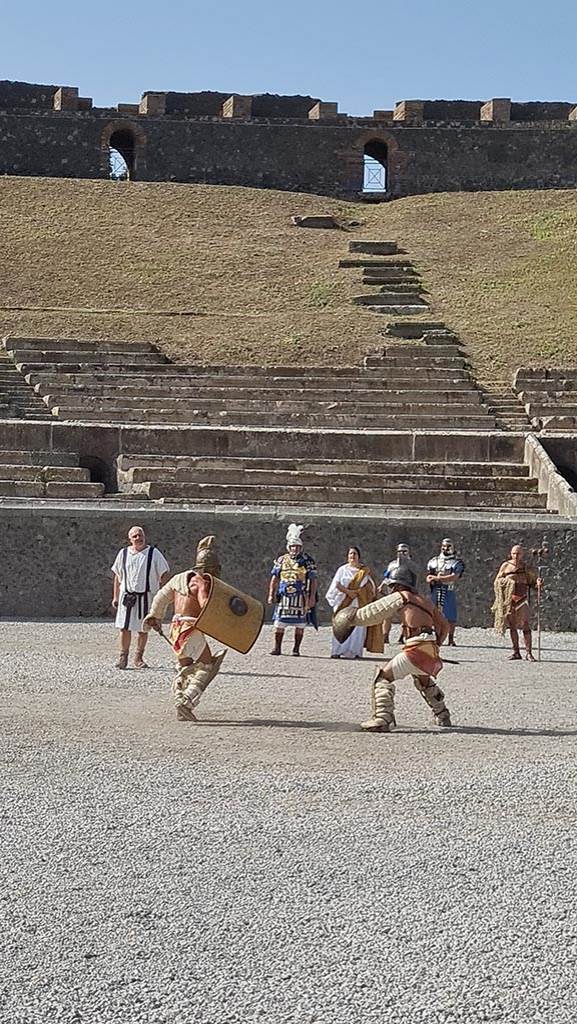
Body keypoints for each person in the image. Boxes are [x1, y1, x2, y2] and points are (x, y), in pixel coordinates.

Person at [332, 565, 452, 732]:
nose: (392, 589)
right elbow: (444, 626)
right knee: (424, 681)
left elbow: (374, 612)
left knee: (383, 677)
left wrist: (351, 618)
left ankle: (383, 718)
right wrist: (435, 644)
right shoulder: (425, 601)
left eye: (393, 585)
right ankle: (442, 714)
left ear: (399, 584)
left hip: (416, 649)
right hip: (430, 647)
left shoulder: (401, 596)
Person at [143, 536, 227, 721]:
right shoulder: (202, 582)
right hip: (190, 628)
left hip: (176, 628)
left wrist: (155, 616)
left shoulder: (178, 579)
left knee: (185, 666)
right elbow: (205, 605)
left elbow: (160, 597)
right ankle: (186, 701)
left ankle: (180, 705)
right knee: (207, 664)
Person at [111, 525, 170, 670]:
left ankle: (138, 657)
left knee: (143, 628)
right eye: (135, 536)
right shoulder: (123, 553)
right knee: (124, 627)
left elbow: (165, 574)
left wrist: (162, 595)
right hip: (127, 596)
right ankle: (123, 657)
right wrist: (115, 596)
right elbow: (118, 577)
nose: (138, 538)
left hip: (146, 596)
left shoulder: (154, 553)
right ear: (130, 539)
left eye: (140, 535)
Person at [268, 524, 318, 656]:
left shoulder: (307, 560)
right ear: (288, 547)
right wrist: (271, 594)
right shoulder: (281, 560)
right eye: (292, 546)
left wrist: (312, 597)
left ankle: (296, 649)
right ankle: (277, 647)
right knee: (279, 623)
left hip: (300, 596)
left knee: (300, 624)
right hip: (284, 596)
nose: (294, 549)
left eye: (297, 546)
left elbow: (313, 580)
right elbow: (275, 578)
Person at [325, 547, 382, 659]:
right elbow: (336, 585)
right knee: (341, 624)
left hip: (358, 601)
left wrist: (359, 593)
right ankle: (337, 650)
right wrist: (348, 592)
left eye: (354, 554)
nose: (352, 556)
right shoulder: (342, 570)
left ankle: (354, 651)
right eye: (350, 554)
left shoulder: (364, 571)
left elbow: (371, 588)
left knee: (357, 627)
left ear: (358, 556)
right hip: (343, 601)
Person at [492, 544, 542, 661]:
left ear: (522, 554)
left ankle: (528, 652)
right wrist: (508, 582)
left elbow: (532, 583)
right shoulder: (505, 566)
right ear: (511, 553)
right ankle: (516, 652)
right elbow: (497, 580)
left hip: (522, 599)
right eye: (514, 553)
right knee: (512, 625)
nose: (516, 556)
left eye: (518, 553)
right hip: (510, 599)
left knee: (525, 624)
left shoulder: (525, 568)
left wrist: (538, 584)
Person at [426, 538, 465, 646]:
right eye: (444, 546)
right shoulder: (434, 561)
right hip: (435, 589)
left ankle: (451, 639)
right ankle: (437, 636)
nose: (445, 548)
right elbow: (429, 575)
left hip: (448, 590)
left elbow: (454, 576)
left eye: (448, 546)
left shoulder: (456, 562)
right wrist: (432, 579)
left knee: (450, 616)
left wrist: (439, 578)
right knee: (435, 614)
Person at [378, 542, 417, 644]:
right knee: (388, 614)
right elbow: (387, 577)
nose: (402, 553)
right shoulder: (392, 564)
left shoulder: (412, 565)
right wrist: (382, 586)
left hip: (407, 589)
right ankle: (385, 636)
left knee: (406, 615)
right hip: (393, 588)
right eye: (400, 551)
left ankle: (402, 637)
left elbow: (414, 579)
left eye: (404, 551)